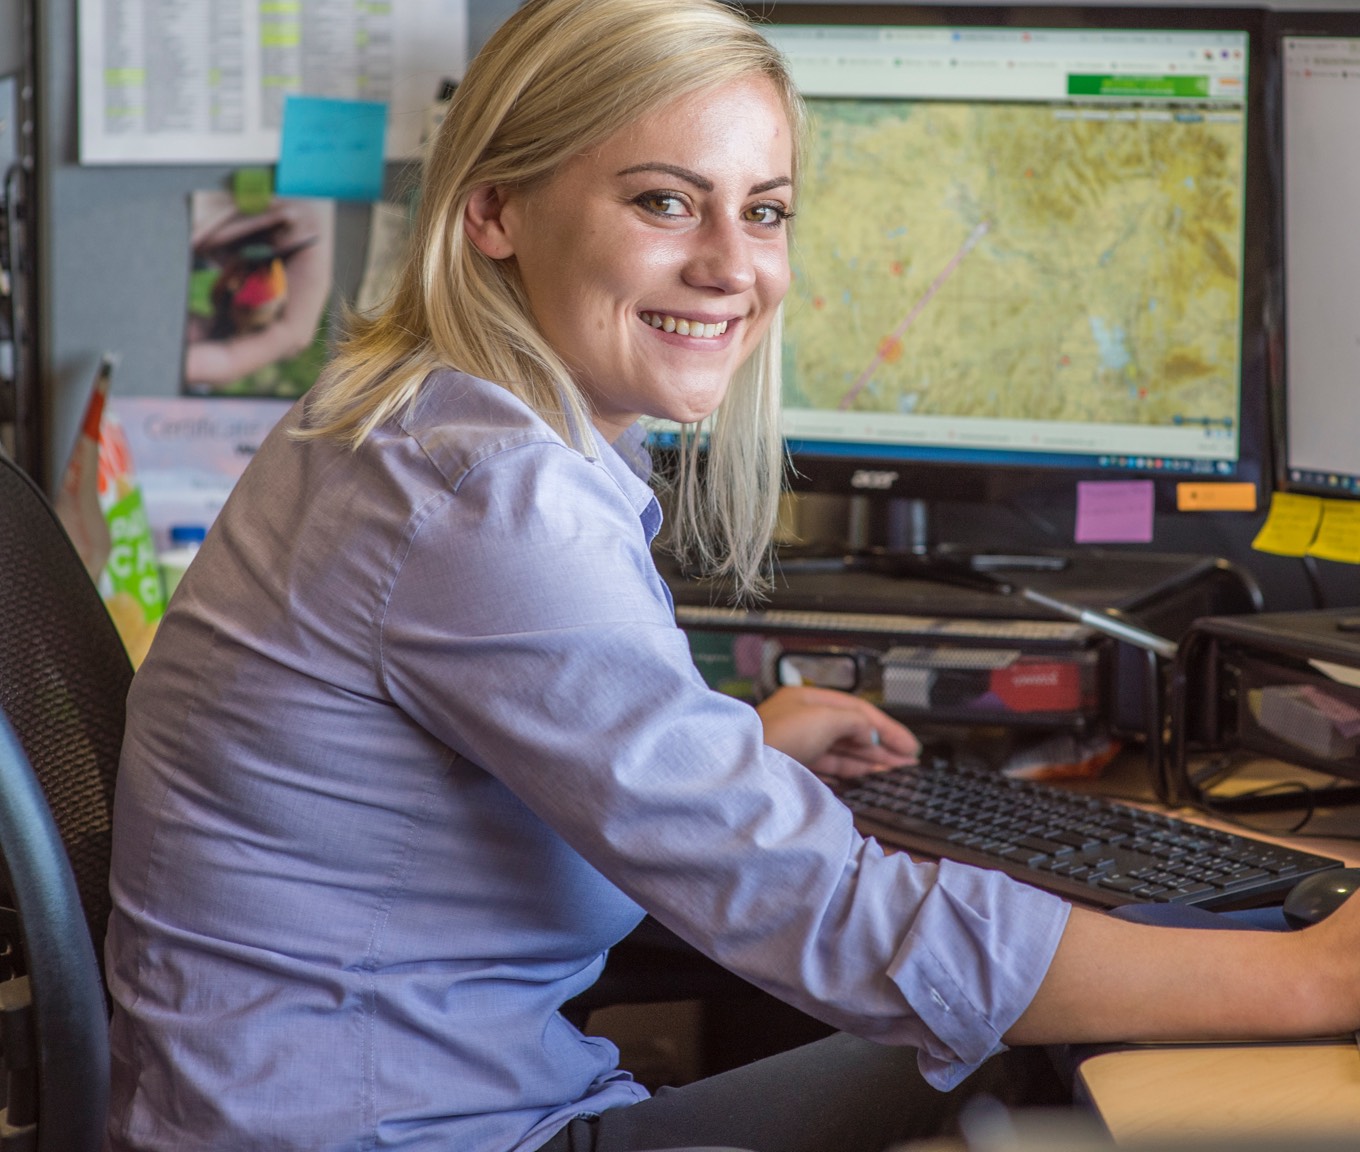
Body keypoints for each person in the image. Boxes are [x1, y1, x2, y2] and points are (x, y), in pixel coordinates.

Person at [103, 0, 1360, 1149]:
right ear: (492, 210)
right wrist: (1318, 980)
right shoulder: (489, 496)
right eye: (663, 202)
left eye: (762, 210)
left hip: (338, 1103)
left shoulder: (413, 413)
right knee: (1063, 1057)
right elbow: (832, 917)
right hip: (404, 1132)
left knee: (1043, 1034)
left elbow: (516, 748)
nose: (730, 265)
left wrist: (735, 751)